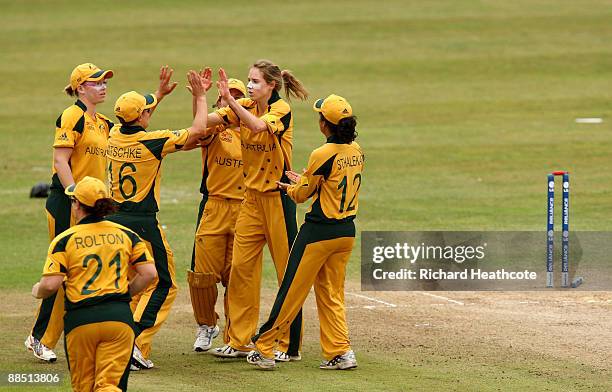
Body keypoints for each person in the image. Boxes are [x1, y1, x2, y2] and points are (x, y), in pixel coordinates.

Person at [246, 94, 363, 370]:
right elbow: (329, 184)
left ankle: (264, 347)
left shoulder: (322, 154)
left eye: (320, 116)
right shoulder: (356, 150)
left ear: (326, 124)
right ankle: (341, 351)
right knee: (331, 293)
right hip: (345, 232)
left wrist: (289, 187)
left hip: (318, 233)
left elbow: (302, 196)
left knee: (291, 290)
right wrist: (306, 180)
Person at [106, 67, 212, 369]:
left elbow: (138, 111)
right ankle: (133, 341)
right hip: (142, 223)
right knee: (164, 283)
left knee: (128, 282)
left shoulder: (114, 135)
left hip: (113, 220)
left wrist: (159, 95)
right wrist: (201, 97)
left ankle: (116, 339)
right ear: (141, 117)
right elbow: (198, 131)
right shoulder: (153, 141)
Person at [208, 60, 308, 361]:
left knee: (286, 273)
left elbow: (256, 126)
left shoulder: (281, 110)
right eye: (249, 81)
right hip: (251, 199)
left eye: (255, 82)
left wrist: (231, 101)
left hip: (278, 199)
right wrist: (201, 98)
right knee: (241, 269)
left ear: (272, 86)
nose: (250, 86)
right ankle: (240, 341)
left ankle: (288, 345)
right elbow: (208, 122)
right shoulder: (247, 104)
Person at [31, 176, 157, 391]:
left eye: (72, 201)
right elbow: (149, 274)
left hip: (81, 321)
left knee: (84, 387)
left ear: (78, 205)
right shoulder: (127, 235)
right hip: (119, 320)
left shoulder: (65, 239)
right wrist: (124, 295)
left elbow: (51, 285)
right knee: (109, 386)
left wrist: (37, 291)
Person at [26, 63, 114, 363]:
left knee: (83, 271)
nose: (102, 87)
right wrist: (75, 194)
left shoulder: (101, 121)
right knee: (62, 272)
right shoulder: (72, 115)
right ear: (79, 88)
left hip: (90, 204)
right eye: (95, 83)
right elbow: (60, 161)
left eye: (104, 83)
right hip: (68, 203)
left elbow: (132, 129)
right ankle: (40, 338)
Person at [188, 77, 246, 352]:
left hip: (245, 210)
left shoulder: (253, 131)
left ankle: (235, 335)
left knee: (237, 276)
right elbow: (199, 126)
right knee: (202, 277)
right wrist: (199, 97)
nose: (230, 100)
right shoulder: (215, 131)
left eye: (236, 96)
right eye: (225, 96)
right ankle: (206, 325)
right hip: (215, 207)